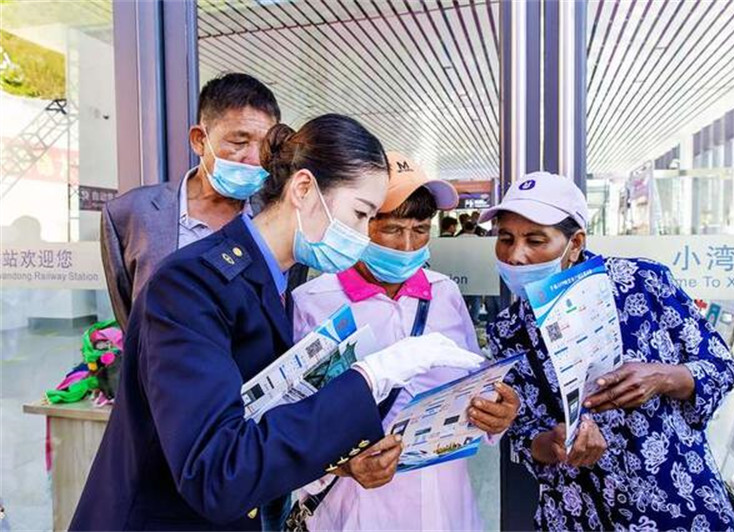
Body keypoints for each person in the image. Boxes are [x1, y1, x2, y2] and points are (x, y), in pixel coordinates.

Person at [70, 116, 483, 531]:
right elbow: (217, 472)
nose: (361, 237)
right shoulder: (192, 285)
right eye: (361, 215)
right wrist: (370, 376)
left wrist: (340, 463)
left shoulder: (275, 281)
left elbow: (263, 427)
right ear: (303, 189)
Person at [484, 172, 734, 531]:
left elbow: (722, 366)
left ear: (575, 243)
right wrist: (553, 443)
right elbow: (522, 435)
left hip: (680, 506)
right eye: (506, 239)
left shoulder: (643, 283)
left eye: (535, 240)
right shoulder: (507, 332)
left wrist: (663, 377)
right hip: (577, 515)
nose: (516, 256)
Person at [291, 152, 519, 530]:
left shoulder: (444, 294)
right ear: (359, 223)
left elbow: (475, 387)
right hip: (358, 510)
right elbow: (291, 421)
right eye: (392, 229)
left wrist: (496, 416)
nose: (408, 246)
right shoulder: (314, 303)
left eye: (420, 228)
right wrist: (344, 465)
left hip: (446, 505)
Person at [101, 73, 305, 330]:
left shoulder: (278, 213)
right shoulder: (130, 213)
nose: (254, 158)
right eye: (239, 142)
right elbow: (131, 316)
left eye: (264, 148)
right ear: (199, 140)